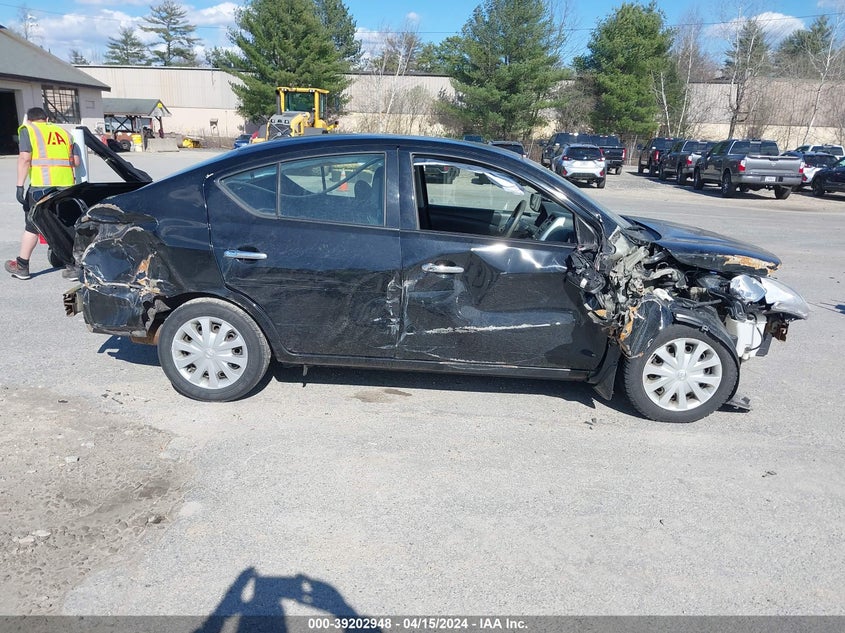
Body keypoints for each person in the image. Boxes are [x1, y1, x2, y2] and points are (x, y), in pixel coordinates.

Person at [5, 106, 80, 280]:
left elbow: (25, 158)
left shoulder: (28, 130)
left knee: (33, 224)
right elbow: (75, 161)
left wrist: (19, 186)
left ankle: (22, 266)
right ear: (47, 119)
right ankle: (73, 266)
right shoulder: (64, 133)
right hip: (66, 186)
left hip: (41, 186)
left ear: (30, 120)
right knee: (65, 223)